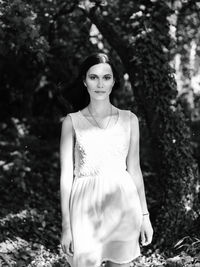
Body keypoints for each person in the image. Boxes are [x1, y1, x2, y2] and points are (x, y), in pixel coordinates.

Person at [60, 53, 153, 267]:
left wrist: (144, 215)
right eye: (93, 77)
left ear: (114, 81)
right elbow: (66, 177)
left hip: (123, 204)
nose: (100, 84)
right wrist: (66, 227)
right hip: (84, 207)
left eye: (106, 77)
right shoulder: (71, 122)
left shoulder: (130, 120)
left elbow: (135, 169)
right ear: (84, 81)